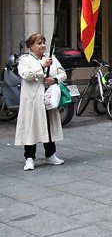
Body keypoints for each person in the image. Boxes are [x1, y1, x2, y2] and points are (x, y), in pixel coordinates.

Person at [15, 33, 66, 171]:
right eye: (38, 43)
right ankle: (29, 158)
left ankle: (51, 154)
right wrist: (41, 66)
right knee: (31, 127)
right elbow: (26, 75)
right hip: (32, 100)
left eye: (43, 42)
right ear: (31, 46)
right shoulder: (25, 60)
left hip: (47, 99)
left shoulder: (51, 58)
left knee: (48, 126)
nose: (42, 45)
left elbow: (62, 74)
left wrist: (54, 80)